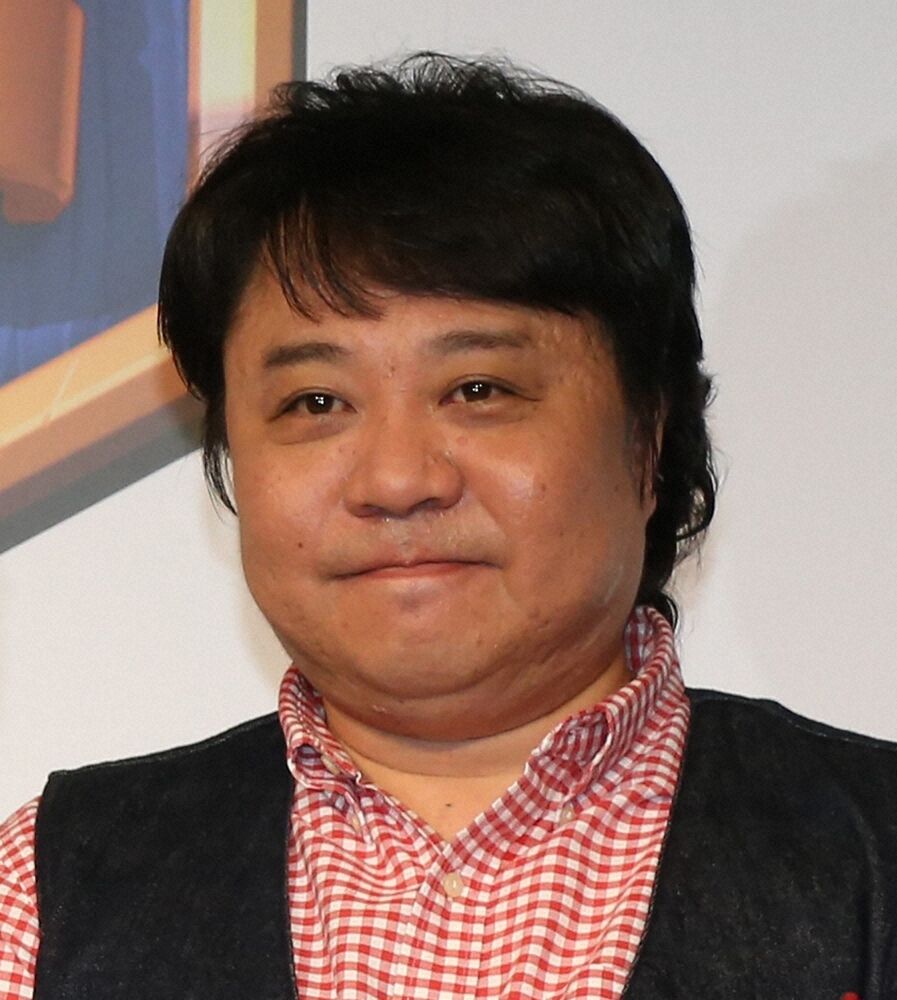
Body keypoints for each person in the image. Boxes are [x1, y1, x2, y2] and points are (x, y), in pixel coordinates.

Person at [1, 52, 894, 1000]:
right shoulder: (46, 901)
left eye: (477, 390)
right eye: (314, 402)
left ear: (647, 443)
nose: (396, 481)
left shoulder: (868, 859)